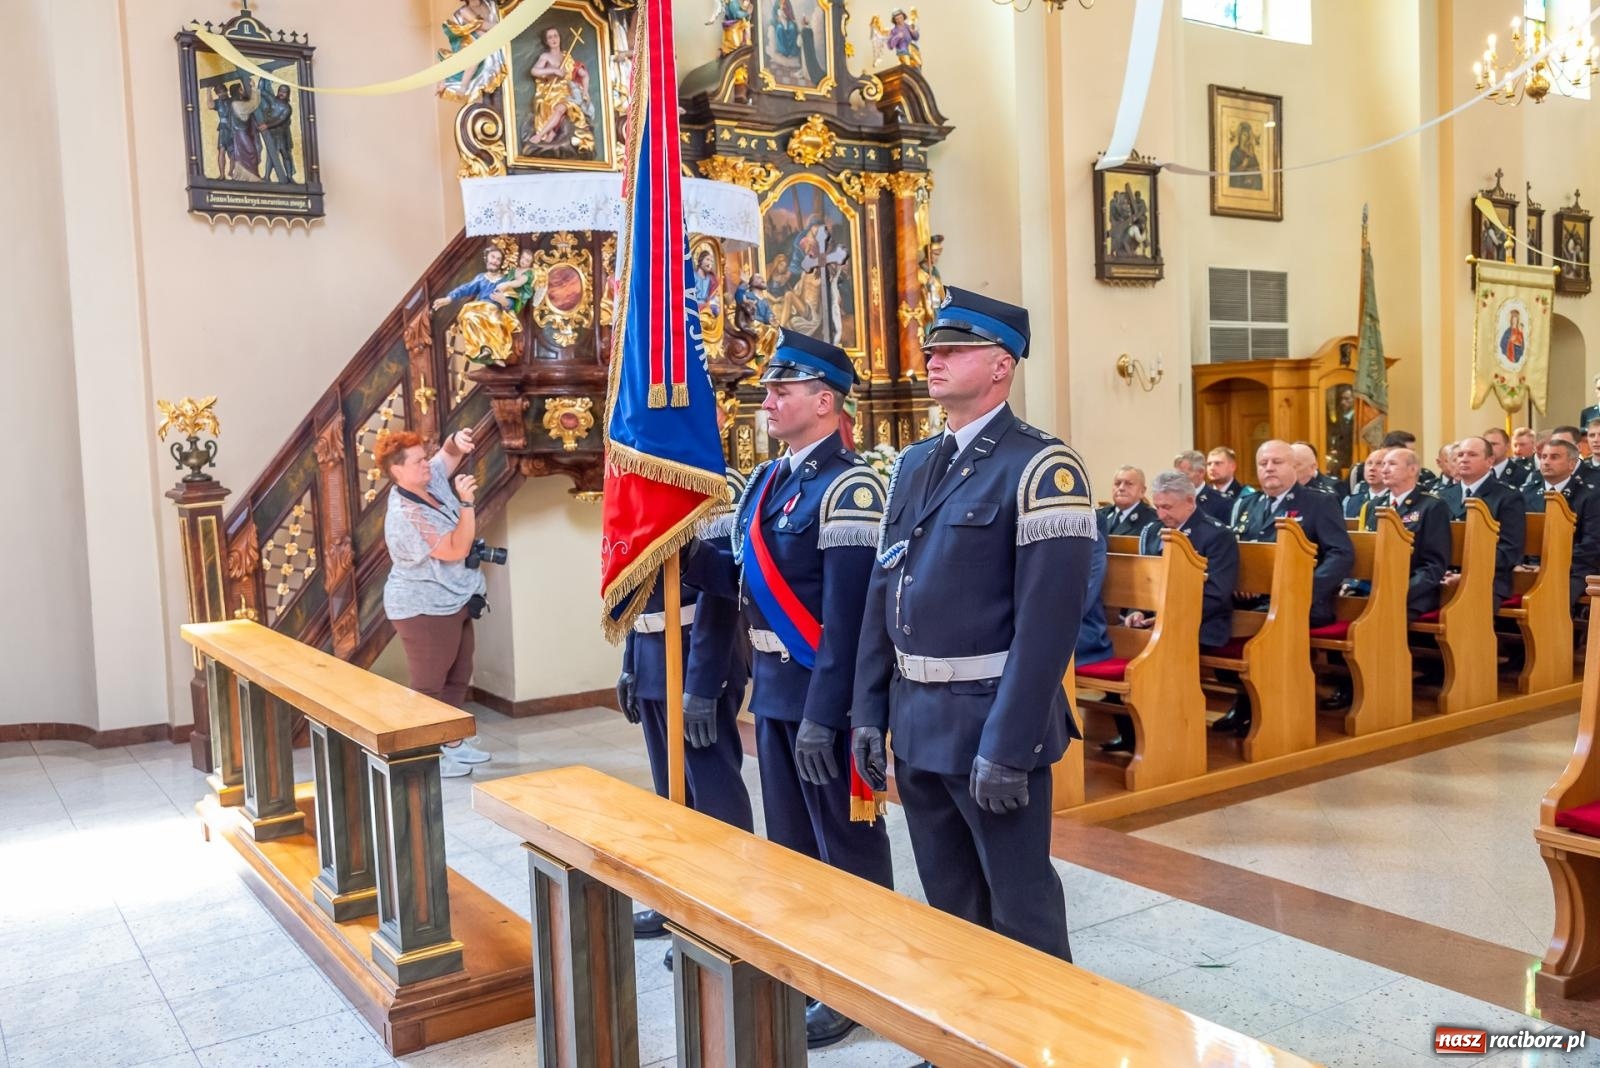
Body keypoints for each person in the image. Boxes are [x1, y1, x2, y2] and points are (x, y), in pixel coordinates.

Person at [852, 286, 1094, 967]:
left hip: (991, 721)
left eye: (954, 349)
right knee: (951, 902)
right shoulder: (912, 465)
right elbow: (884, 589)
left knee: (1020, 906)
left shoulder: (1042, 466)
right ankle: (967, 1038)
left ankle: (1043, 1041)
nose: (933, 358)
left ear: (1000, 366)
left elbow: (1049, 626)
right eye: (932, 347)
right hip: (918, 718)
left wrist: (1009, 747)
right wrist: (868, 713)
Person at [691, 330, 891, 1049]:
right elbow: (746, 584)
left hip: (821, 697)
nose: (766, 402)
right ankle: (815, 969)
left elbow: (850, 621)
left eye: (782, 391)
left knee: (848, 847)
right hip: (774, 692)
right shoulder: (773, 481)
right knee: (794, 848)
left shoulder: (852, 486)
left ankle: (861, 982)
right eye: (767, 392)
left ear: (825, 401)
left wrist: (826, 715)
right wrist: (679, 552)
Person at [620, 469, 755, 952]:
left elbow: (723, 598)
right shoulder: (646, 483)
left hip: (700, 658)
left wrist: (704, 682)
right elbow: (634, 580)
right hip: (655, 657)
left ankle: (728, 907)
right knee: (669, 791)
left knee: (712, 789)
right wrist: (631, 662)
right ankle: (680, 894)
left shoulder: (717, 487)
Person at [378, 428, 493, 778]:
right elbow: (455, 549)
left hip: (455, 598)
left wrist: (455, 440)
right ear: (398, 470)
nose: (427, 464)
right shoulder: (405, 513)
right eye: (417, 461)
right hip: (422, 607)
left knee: (459, 675)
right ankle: (427, 756)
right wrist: (467, 504)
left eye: (425, 456)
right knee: (429, 685)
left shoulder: (428, 480)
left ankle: (452, 742)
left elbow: (449, 455)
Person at [1101, 470, 1237, 754]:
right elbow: (1142, 582)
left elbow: (1217, 594)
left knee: (1145, 662)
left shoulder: (1216, 534)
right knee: (1112, 649)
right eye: (1159, 506)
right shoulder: (1152, 531)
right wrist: (1135, 611)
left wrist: (1166, 617)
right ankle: (1131, 734)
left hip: (1200, 622)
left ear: (1190, 501)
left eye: (1168, 507)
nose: (1161, 514)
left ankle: (1162, 740)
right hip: (1155, 621)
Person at [1230, 440, 1354, 726]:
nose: (1269, 468)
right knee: (1211, 619)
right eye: (1263, 464)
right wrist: (1239, 582)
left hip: (1303, 600)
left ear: (1294, 467)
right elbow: (1238, 551)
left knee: (1258, 628)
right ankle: (1244, 699)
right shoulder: (1249, 503)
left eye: (1277, 462)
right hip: (1253, 598)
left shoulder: (1318, 502)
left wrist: (1301, 590)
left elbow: (1341, 554)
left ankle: (1271, 711)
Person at [1363, 449, 1451, 621]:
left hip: (1414, 593)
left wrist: (1400, 592)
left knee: (1381, 620)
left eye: (1392, 464)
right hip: (1373, 589)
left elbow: (1434, 565)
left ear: (1412, 470)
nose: (1385, 469)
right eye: (1383, 464)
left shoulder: (1431, 506)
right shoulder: (1373, 506)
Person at [1443, 437, 1526, 603]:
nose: (1464, 459)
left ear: (1490, 461)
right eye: (1460, 455)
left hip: (1489, 578)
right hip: (1444, 575)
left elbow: (1509, 550)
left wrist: (1467, 574)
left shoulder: (1508, 497)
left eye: (1472, 454)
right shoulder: (1444, 495)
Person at [1522, 439, 1600, 611]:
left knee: (1552, 602)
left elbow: (1592, 543)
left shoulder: (1590, 496)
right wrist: (1522, 564)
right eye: (1543, 457)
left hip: (1573, 570)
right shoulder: (1527, 493)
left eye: (1554, 457)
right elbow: (1519, 534)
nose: (1546, 462)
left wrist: (1554, 566)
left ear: (1572, 464)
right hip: (1532, 568)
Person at [1202, 446, 1258, 525]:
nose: (1212, 468)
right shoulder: (1203, 495)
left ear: (1232, 466)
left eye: (1217, 463)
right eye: (1209, 464)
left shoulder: (1246, 494)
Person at [1098, 466, 1156, 535]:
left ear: (1142, 491)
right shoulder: (1100, 516)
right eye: (1117, 483)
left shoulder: (1153, 520)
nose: (1121, 488)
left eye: (1129, 484)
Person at [1346, 446, 1390, 521]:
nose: (1372, 468)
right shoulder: (1352, 501)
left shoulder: (1394, 500)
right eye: (1369, 463)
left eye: (1379, 464)